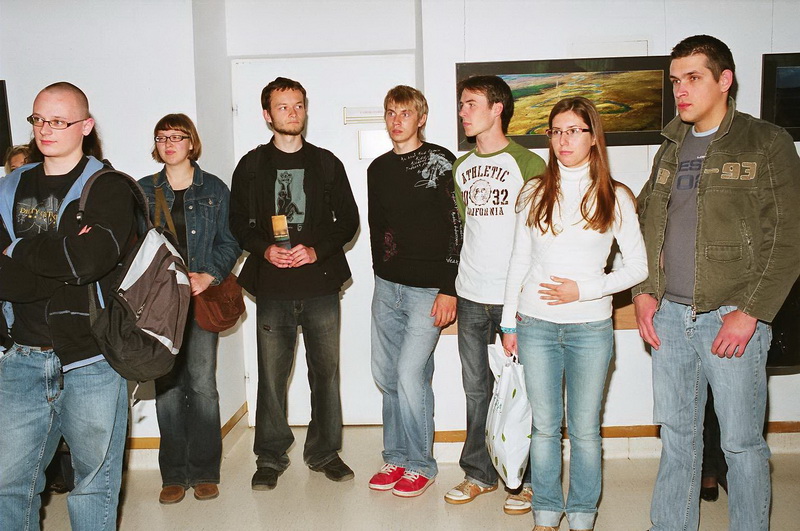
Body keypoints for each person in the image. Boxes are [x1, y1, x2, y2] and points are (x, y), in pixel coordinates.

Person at [633, 35, 800, 531]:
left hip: (731, 317)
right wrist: (643, 292)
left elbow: (788, 238)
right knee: (678, 439)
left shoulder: (766, 142)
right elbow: (645, 220)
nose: (680, 90)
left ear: (725, 80)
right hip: (669, 318)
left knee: (741, 445)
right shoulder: (670, 147)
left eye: (693, 78)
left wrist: (751, 312)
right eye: (675, 80)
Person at [501, 97, 647, 531]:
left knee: (584, 430)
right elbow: (518, 261)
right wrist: (508, 322)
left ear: (593, 137)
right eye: (556, 131)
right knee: (545, 428)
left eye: (574, 131)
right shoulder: (533, 191)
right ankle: (546, 513)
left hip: (590, 329)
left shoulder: (616, 195)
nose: (563, 140)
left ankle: (582, 514)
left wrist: (583, 290)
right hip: (535, 326)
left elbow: (638, 268)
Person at [0, 82, 136, 530]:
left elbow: (90, 262)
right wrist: (64, 257)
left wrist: (18, 250)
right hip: (20, 357)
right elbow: (60, 268)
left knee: (93, 484)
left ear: (86, 126)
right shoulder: (9, 187)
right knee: (6, 485)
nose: (46, 129)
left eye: (59, 121)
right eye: (39, 119)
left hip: (91, 358)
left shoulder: (109, 188)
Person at [229, 77, 359, 490]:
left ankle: (324, 452)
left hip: (321, 285)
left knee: (326, 374)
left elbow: (349, 221)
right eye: (283, 106)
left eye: (298, 105)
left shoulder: (327, 163)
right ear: (267, 115)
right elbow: (237, 224)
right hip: (273, 288)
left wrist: (317, 251)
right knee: (271, 377)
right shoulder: (251, 166)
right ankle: (270, 457)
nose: (293, 113)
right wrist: (264, 250)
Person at [445, 75, 545, 514]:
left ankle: (528, 481)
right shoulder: (460, 167)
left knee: (525, 391)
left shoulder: (529, 164)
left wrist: (524, 297)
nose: (463, 112)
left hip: (516, 299)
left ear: (497, 107)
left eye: (471, 103)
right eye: (461, 104)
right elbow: (466, 228)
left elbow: (541, 236)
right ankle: (479, 474)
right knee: (476, 391)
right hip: (471, 294)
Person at [138, 114, 241, 505]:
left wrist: (208, 275)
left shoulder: (213, 188)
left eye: (176, 137)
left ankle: (204, 472)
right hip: (159, 301)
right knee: (167, 387)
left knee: (201, 385)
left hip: (199, 298)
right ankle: (174, 474)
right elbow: (133, 246)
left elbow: (230, 241)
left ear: (191, 142)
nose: (168, 144)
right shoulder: (143, 190)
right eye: (161, 137)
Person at [366, 86, 461, 497]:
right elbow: (377, 227)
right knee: (387, 375)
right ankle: (397, 457)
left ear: (421, 118)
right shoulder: (378, 169)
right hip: (387, 287)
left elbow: (458, 226)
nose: (396, 120)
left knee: (410, 374)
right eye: (391, 113)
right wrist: (380, 276)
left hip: (429, 290)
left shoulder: (442, 161)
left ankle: (422, 464)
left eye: (405, 113)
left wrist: (449, 288)